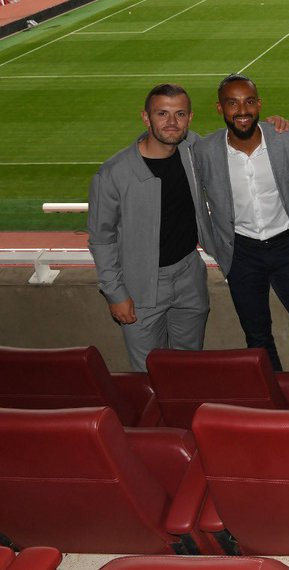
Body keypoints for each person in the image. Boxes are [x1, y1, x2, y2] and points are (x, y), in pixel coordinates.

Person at [195, 74, 289, 378]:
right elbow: (195, 203)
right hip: (242, 254)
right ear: (219, 108)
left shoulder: (287, 138)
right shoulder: (205, 152)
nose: (242, 110)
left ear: (259, 104)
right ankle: (277, 397)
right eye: (233, 103)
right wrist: (222, 254)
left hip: (288, 247)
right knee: (257, 338)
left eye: (249, 101)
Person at [87, 84, 213, 372]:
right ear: (146, 118)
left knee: (189, 367)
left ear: (190, 118)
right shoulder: (113, 173)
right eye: (162, 114)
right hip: (139, 286)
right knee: (148, 375)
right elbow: (101, 239)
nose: (171, 122)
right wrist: (115, 293)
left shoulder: (194, 150)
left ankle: (184, 418)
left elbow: (234, 142)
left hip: (189, 276)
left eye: (179, 114)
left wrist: (274, 126)